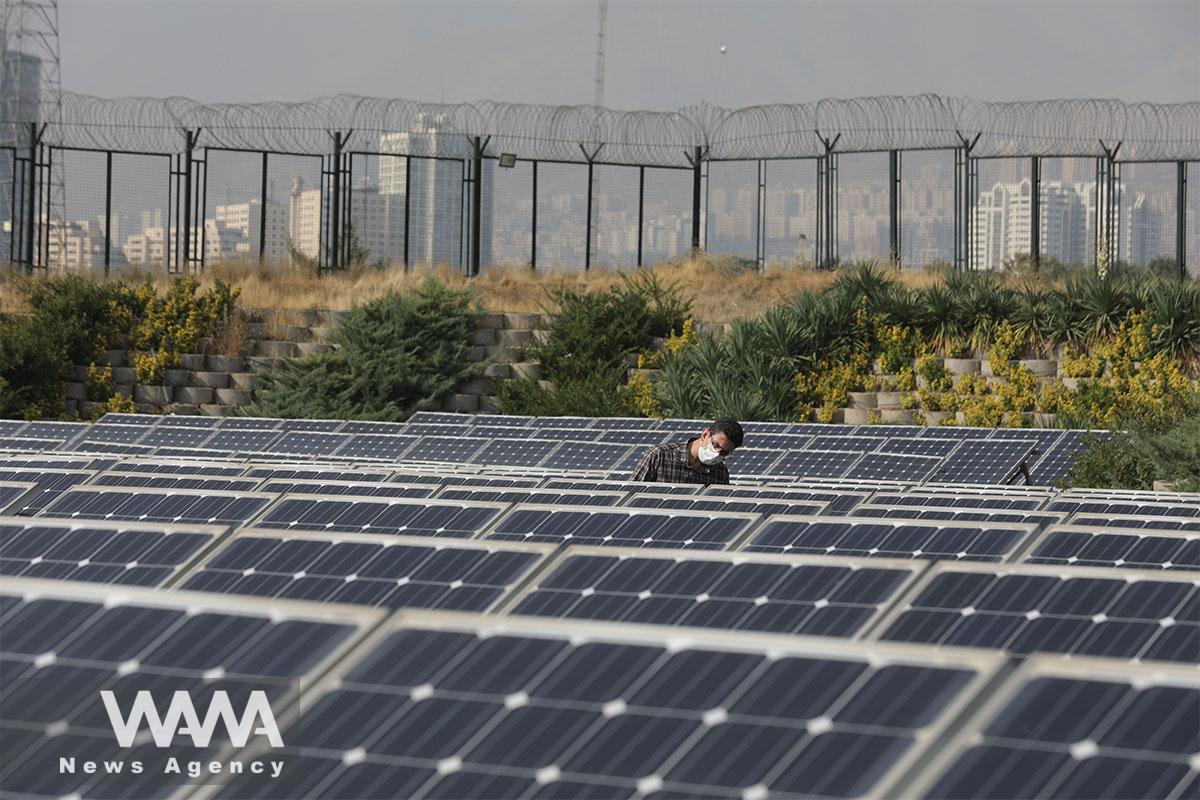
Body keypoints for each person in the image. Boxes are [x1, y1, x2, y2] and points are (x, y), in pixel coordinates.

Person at [629, 418, 744, 485]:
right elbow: (631, 494)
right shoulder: (659, 456)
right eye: (715, 445)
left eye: (724, 453)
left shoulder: (720, 472)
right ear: (704, 435)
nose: (717, 454)